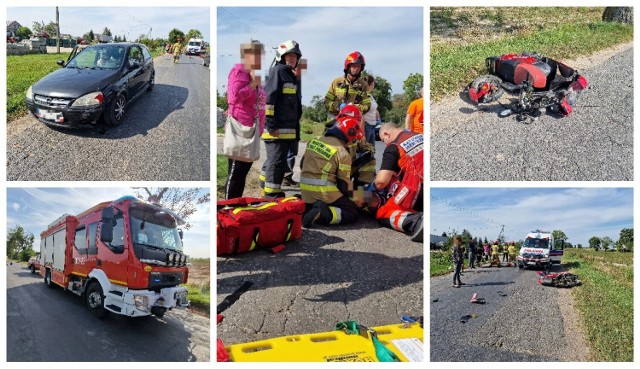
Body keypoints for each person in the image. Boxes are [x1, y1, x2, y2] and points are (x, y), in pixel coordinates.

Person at [300, 115, 364, 228]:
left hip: (305, 190)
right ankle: (323, 214)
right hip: (324, 193)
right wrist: (356, 197)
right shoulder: (343, 153)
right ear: (349, 134)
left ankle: (305, 206)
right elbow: (344, 185)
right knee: (352, 211)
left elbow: (302, 164)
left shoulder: (314, 141)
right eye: (353, 140)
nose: (351, 143)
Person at [259, 40, 303, 198]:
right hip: (276, 129)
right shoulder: (278, 71)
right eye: (289, 56)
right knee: (276, 163)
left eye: (294, 56)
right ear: (281, 57)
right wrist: (271, 126)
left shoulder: (290, 74)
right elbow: (268, 101)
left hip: (285, 130)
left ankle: (264, 184)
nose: (292, 59)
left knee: (275, 160)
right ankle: (271, 194)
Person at [224, 40, 266, 199]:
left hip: (253, 130)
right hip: (241, 129)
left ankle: (236, 206)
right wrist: (254, 82)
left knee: (242, 174)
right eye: (253, 54)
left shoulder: (254, 73)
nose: (257, 58)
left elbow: (259, 102)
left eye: (259, 54)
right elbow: (234, 97)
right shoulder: (239, 70)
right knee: (236, 174)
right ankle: (227, 209)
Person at [372, 123, 423, 242]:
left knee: (383, 212)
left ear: (386, 133)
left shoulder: (394, 146)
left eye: (383, 140)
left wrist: (370, 189)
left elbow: (381, 182)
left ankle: (416, 221)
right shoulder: (419, 135)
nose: (385, 144)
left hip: (418, 191)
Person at [324, 51, 371, 120]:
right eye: (354, 66)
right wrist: (338, 107)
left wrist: (353, 107)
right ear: (348, 66)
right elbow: (327, 101)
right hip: (335, 121)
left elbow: (367, 106)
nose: (357, 68)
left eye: (359, 66)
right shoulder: (336, 82)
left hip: (353, 122)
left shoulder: (364, 85)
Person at [362, 75, 380, 146]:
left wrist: (376, 111)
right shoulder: (363, 96)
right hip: (366, 125)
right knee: (364, 149)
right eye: (373, 84)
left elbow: (371, 106)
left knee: (371, 150)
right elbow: (361, 112)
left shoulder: (370, 96)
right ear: (370, 84)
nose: (374, 86)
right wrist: (362, 130)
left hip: (372, 125)